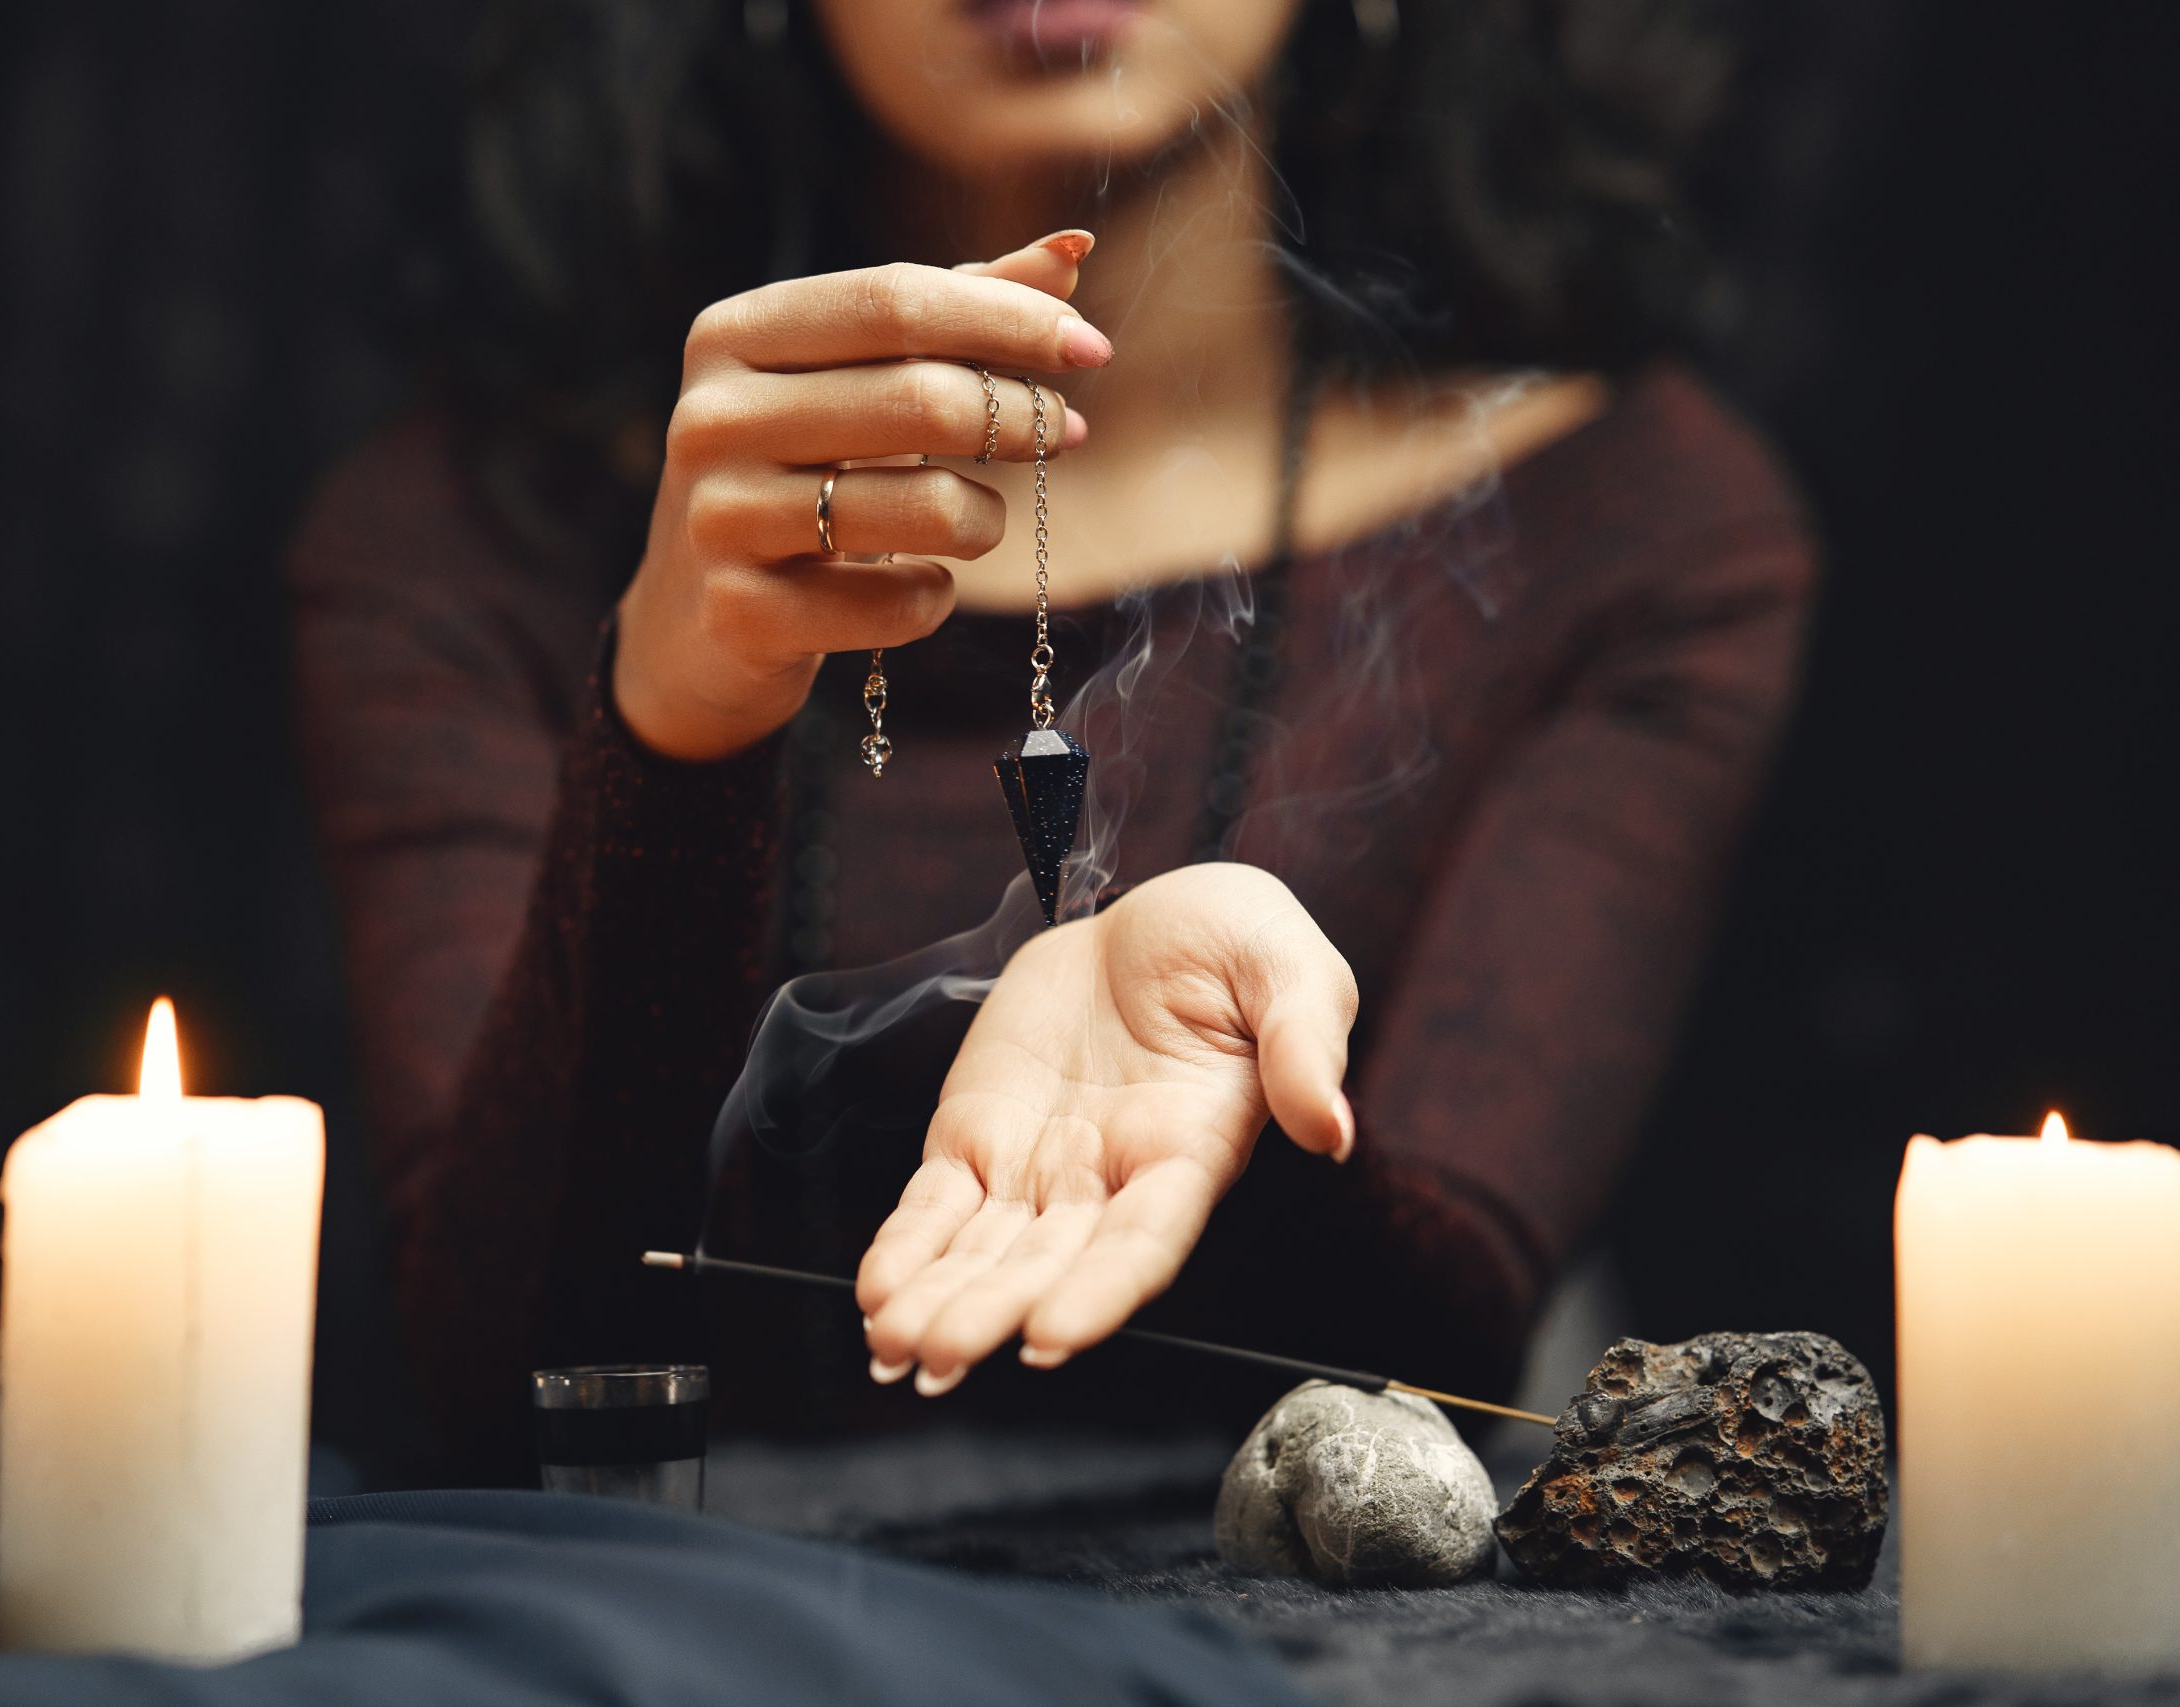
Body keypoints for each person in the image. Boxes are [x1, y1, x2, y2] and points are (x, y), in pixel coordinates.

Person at [291, 0, 1811, 1477]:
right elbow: (510, 1380)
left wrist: (1230, 1051)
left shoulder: (1633, 529)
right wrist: (678, 720)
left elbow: (1426, 1350)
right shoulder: (462, 542)